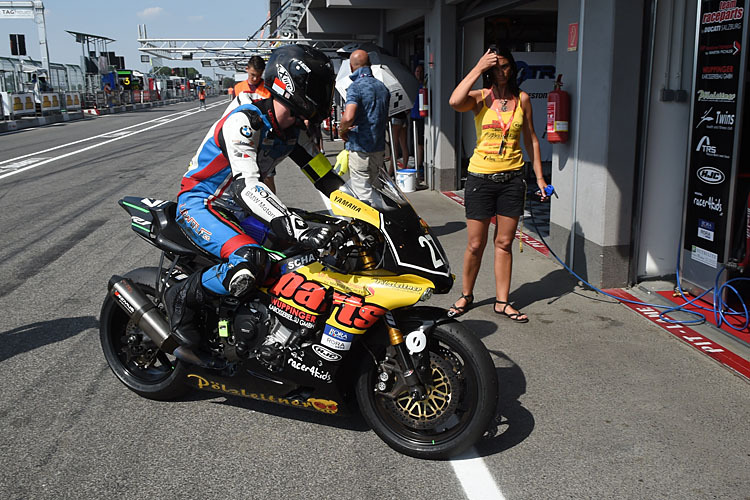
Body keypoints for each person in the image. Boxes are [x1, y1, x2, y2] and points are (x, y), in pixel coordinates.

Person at [165, 44, 340, 348]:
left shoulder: (294, 132)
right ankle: (180, 297)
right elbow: (247, 186)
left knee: (300, 257)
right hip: (201, 202)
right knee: (250, 259)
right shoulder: (246, 121)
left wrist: (372, 214)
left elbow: (328, 180)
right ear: (292, 83)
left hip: (240, 210)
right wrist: (295, 225)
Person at [447, 45, 548, 323]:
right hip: (480, 179)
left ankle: (502, 301)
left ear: (512, 68)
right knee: (475, 244)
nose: (501, 72)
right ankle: (467, 295)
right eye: (495, 67)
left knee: (504, 243)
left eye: (505, 66)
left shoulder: (523, 99)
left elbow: (531, 140)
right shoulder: (480, 98)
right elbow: (455, 102)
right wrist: (478, 67)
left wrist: (539, 178)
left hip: (512, 180)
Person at [339, 49, 390, 204]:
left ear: (351, 66)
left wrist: (342, 129)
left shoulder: (356, 87)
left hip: (360, 147)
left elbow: (348, 117)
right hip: (378, 146)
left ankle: (371, 225)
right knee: (375, 188)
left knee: (363, 194)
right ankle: (382, 221)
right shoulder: (383, 87)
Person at [410, 64, 425, 180]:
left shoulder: (424, 85)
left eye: (420, 71)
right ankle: (417, 162)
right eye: (416, 71)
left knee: (420, 143)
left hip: (421, 117)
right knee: (415, 142)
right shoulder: (411, 85)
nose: (418, 73)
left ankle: (419, 165)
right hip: (413, 116)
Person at [390, 111, 408, 175]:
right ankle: (404, 169)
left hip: (395, 118)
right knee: (404, 145)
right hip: (404, 117)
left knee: (394, 145)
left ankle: (391, 171)